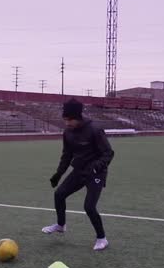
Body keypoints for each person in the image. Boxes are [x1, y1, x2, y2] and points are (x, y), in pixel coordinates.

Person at [42, 98, 114, 251]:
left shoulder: (95, 129)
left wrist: (96, 167)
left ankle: (102, 238)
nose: (67, 123)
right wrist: (58, 174)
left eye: (70, 120)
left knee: (89, 206)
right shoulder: (67, 133)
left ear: (78, 117)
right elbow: (66, 156)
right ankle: (61, 226)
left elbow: (108, 153)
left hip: (96, 172)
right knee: (59, 194)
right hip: (79, 170)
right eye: (65, 120)